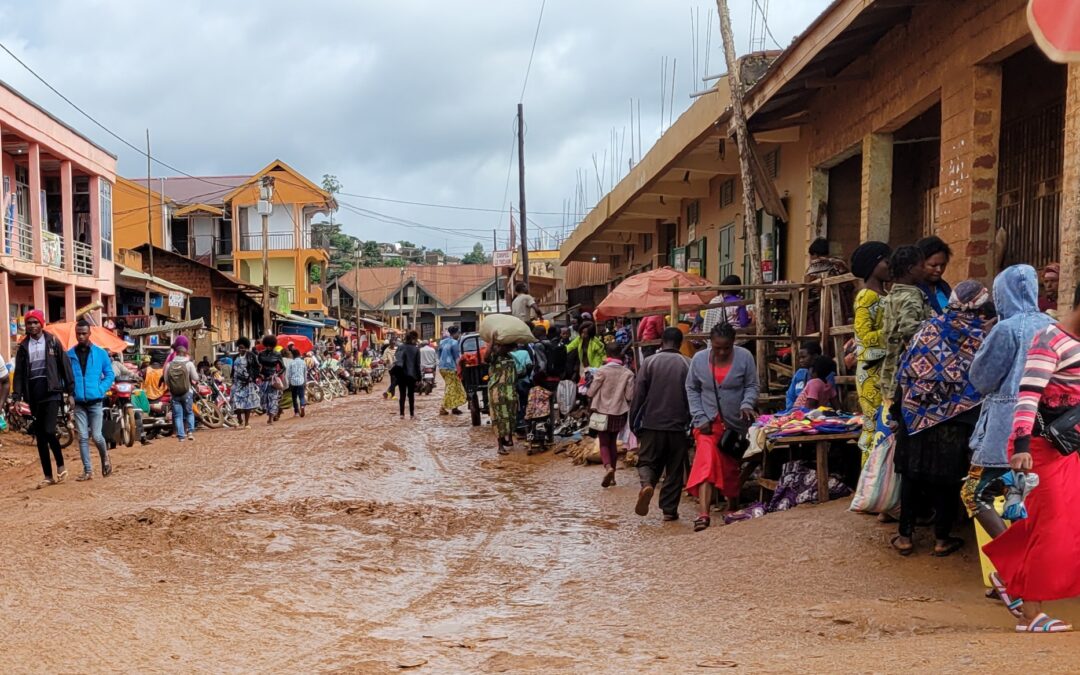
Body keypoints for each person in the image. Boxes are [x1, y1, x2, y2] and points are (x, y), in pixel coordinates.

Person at [982, 282, 1080, 633]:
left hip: (1066, 448)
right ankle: (1031, 613)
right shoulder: (1049, 340)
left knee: (1060, 524)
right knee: (1052, 526)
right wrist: (1021, 446)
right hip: (1037, 448)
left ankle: (1007, 574)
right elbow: (1028, 394)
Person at [964, 266, 1052, 585]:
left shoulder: (1006, 329)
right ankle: (1026, 572)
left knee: (975, 494)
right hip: (1048, 431)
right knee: (1026, 500)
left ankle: (1012, 566)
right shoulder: (1054, 326)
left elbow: (981, 378)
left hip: (1007, 431)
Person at [891, 279, 989, 557]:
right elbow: (983, 379)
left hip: (916, 415)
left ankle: (905, 536)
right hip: (957, 420)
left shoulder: (928, 327)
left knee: (911, 476)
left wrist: (899, 410)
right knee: (949, 477)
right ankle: (941, 539)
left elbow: (905, 371)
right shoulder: (979, 336)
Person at [685, 323, 760, 531]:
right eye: (718, 347)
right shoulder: (699, 360)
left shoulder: (745, 357)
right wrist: (699, 416)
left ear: (733, 343)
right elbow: (691, 388)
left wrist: (747, 404)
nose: (722, 352)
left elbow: (752, 385)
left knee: (730, 466)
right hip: (707, 424)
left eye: (727, 347)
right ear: (711, 343)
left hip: (734, 423)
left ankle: (732, 506)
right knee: (706, 461)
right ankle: (704, 514)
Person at [629, 327, 691, 520]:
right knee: (674, 469)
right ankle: (669, 511)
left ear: (661, 342)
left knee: (647, 461)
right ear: (680, 344)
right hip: (678, 426)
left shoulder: (649, 362)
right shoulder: (687, 364)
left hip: (651, 423)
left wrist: (633, 423)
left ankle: (647, 484)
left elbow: (638, 395)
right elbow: (693, 396)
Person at [13, 310, 74, 487]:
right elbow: (18, 374)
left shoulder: (53, 341)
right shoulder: (23, 347)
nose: (32, 326)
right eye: (29, 323)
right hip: (34, 395)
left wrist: (70, 393)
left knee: (48, 431)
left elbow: (65, 367)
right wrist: (17, 397)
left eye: (35, 322)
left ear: (42, 323)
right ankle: (48, 476)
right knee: (40, 436)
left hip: (52, 393)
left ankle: (61, 464)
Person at [850, 241, 892, 464]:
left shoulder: (885, 295)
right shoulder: (866, 296)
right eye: (886, 261)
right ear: (873, 265)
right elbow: (864, 337)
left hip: (884, 371)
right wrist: (892, 333)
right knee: (873, 425)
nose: (890, 266)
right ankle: (869, 481)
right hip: (871, 373)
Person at [879, 245, 930, 410]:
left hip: (889, 370)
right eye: (921, 266)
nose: (925, 270)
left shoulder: (892, 296)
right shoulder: (911, 296)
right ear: (910, 269)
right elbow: (909, 330)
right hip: (906, 374)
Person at [68, 320, 115, 481]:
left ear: (89, 333)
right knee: (82, 436)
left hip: (95, 401)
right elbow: (66, 378)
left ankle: (105, 458)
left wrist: (100, 389)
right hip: (79, 403)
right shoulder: (70, 355)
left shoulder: (100, 353)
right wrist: (70, 393)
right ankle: (87, 470)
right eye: (78, 333)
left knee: (96, 436)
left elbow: (109, 374)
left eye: (83, 333)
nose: (80, 336)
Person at [587, 341, 636, 488]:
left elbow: (591, 391)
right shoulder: (628, 373)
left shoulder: (601, 371)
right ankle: (613, 478)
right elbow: (629, 396)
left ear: (607, 355)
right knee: (613, 442)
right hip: (619, 412)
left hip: (602, 411)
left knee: (603, 443)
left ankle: (608, 468)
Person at [805, 237, 852, 331]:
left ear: (814, 254)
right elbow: (849, 286)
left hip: (819, 311)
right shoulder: (839, 264)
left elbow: (808, 294)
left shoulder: (811, 269)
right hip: (841, 308)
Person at [165, 336, 199, 442]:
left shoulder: (169, 364)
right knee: (189, 412)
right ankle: (190, 432)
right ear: (185, 352)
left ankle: (181, 436)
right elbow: (195, 378)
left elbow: (166, 381)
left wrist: (173, 388)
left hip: (174, 394)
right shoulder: (188, 364)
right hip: (187, 392)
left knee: (177, 415)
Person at [784, 341, 836, 410]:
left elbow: (829, 398)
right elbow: (790, 396)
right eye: (800, 358)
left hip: (816, 412)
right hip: (797, 411)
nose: (801, 360)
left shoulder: (826, 376)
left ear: (815, 356)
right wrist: (791, 410)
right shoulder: (799, 373)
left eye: (804, 357)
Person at [488, 343, 518, 455]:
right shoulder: (494, 358)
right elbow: (486, 358)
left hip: (510, 391)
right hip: (497, 392)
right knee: (499, 417)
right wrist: (491, 343)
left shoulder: (510, 357)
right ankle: (500, 446)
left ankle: (509, 439)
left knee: (511, 415)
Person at [915, 235, 953, 315]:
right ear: (920, 263)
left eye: (943, 265)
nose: (939, 270)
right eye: (933, 265)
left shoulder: (944, 288)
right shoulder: (913, 290)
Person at [231, 337, 260, 429]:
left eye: (242, 347)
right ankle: (239, 419)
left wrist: (253, 377)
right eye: (239, 348)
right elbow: (233, 368)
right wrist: (232, 378)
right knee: (236, 402)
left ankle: (247, 423)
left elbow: (257, 367)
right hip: (237, 383)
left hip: (247, 383)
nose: (241, 349)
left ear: (246, 347)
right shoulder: (235, 357)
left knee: (247, 403)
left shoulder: (251, 355)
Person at [438, 326, 466, 415]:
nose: (459, 335)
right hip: (450, 368)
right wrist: (460, 368)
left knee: (454, 386)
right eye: (458, 333)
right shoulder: (454, 343)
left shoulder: (442, 342)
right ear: (455, 333)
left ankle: (454, 408)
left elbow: (439, 355)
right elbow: (457, 358)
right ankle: (442, 408)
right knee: (451, 387)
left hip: (442, 368)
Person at [257, 335, 285, 425]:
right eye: (267, 345)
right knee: (263, 400)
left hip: (273, 380)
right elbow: (257, 366)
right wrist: (259, 374)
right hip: (263, 380)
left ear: (273, 345)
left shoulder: (277, 354)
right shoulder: (261, 354)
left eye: (270, 345)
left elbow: (283, 368)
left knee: (273, 399)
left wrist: (276, 374)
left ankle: (271, 418)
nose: (269, 347)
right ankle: (272, 411)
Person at [394, 330, 422, 418]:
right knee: (411, 395)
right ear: (414, 339)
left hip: (401, 374)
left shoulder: (400, 347)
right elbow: (417, 365)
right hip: (411, 375)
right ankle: (412, 414)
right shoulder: (416, 349)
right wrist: (419, 377)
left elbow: (396, 360)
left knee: (402, 395)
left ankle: (402, 414)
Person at [286, 347, 308, 417]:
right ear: (299, 354)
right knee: (301, 396)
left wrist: (289, 382)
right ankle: (302, 406)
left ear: (293, 355)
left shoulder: (291, 363)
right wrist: (305, 382)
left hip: (293, 382)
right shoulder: (303, 362)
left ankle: (296, 412)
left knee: (294, 397)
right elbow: (305, 373)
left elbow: (289, 374)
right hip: (301, 381)